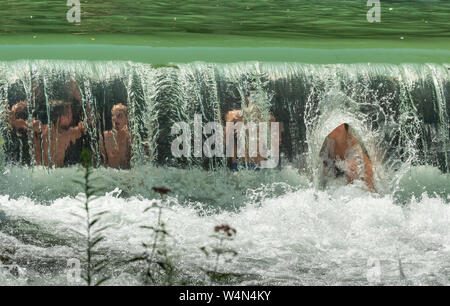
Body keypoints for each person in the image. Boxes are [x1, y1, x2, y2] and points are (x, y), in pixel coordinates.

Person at [7, 100, 88, 167]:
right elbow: (13, 123)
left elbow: (88, 125)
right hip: (40, 173)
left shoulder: (70, 133)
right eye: (69, 114)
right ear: (60, 116)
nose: (71, 117)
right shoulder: (40, 128)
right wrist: (15, 110)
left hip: (57, 174)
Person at [224, 90, 282, 170]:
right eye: (252, 97)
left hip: (262, 164)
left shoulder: (269, 118)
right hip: (242, 164)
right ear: (245, 98)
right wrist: (234, 163)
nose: (255, 100)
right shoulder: (233, 116)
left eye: (257, 97)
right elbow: (229, 142)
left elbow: (275, 143)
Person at [319, 123, 375, 192]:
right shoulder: (324, 148)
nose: (331, 127)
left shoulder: (361, 163)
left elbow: (372, 195)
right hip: (331, 165)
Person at [100, 103, 131, 169]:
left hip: (126, 175)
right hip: (110, 175)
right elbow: (102, 163)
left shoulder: (130, 137)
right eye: (113, 116)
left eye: (119, 116)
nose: (115, 119)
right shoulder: (104, 137)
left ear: (127, 119)